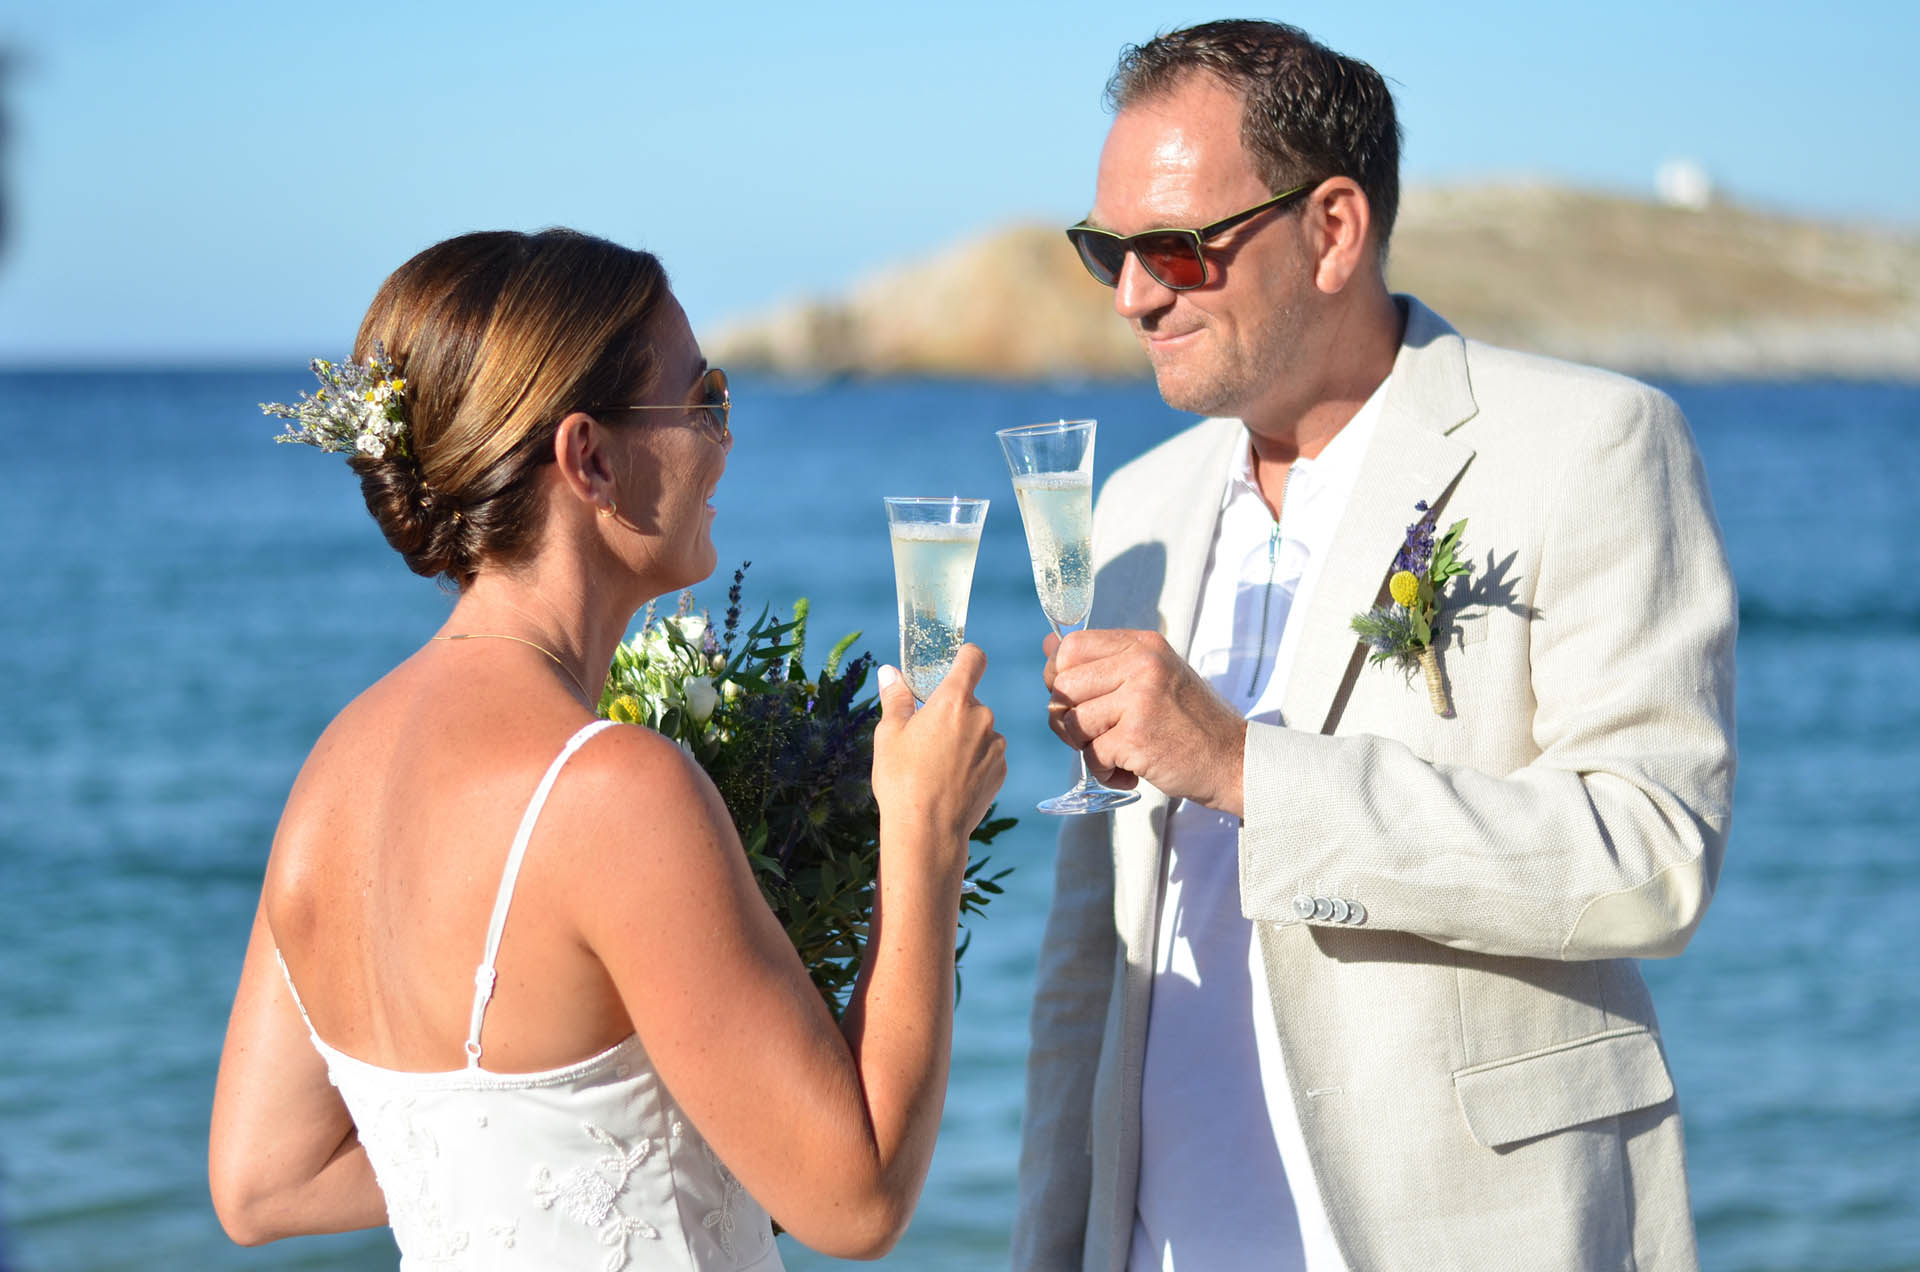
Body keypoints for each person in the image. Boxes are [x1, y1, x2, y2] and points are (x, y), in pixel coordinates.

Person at [1015, 21, 1736, 1272]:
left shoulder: (1593, 444)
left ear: (1334, 228)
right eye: (1108, 251)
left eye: (1177, 248)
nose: (1134, 294)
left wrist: (1248, 772)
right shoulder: (1133, 509)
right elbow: (1091, 957)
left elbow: (1650, 856)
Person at [209, 228, 1006, 1268]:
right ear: (587, 457)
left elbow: (264, 1179)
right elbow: (856, 1203)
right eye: (705, 399)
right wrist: (924, 839)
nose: (725, 439)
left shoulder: (329, 775)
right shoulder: (613, 790)